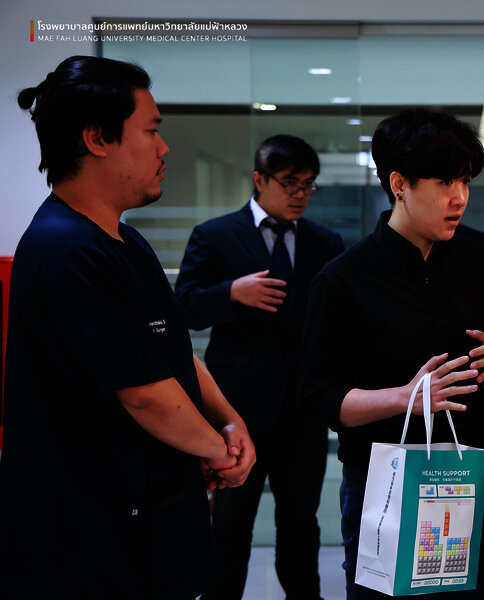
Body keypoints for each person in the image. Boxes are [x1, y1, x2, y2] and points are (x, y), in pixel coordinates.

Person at [0, 55, 255, 600]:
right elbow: (145, 394)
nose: (164, 148)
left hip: (155, 519)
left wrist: (230, 423)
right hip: (91, 539)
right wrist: (219, 450)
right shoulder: (66, 249)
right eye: (151, 130)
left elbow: (175, 354)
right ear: (97, 139)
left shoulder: (124, 241)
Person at [298, 108, 484, 600]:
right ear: (399, 184)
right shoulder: (343, 279)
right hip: (387, 486)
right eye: (444, 182)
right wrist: (404, 398)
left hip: (471, 479)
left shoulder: (479, 262)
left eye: (465, 181)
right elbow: (319, 397)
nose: (459, 197)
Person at [174, 135, 343, 600]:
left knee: (301, 522)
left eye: (308, 185)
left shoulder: (326, 242)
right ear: (259, 179)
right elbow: (183, 308)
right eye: (290, 183)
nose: (300, 194)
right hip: (236, 411)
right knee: (229, 523)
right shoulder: (214, 235)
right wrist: (231, 293)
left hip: (302, 411)